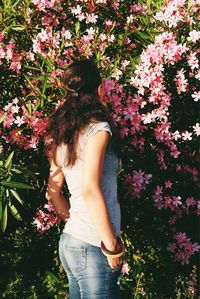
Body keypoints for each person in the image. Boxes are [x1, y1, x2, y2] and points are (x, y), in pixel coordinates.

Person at [46, 59, 124, 299]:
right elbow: (90, 188)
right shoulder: (98, 130)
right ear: (100, 90)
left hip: (71, 241)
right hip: (93, 245)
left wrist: (75, 222)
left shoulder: (64, 134)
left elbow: (53, 190)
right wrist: (111, 245)